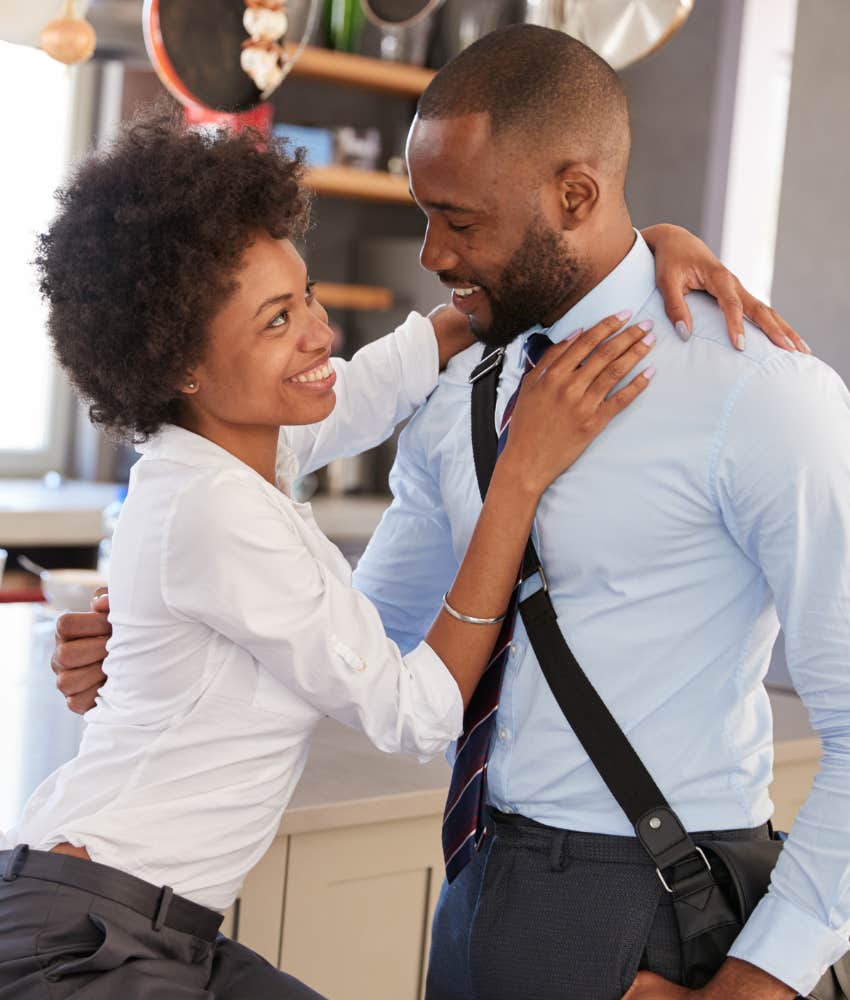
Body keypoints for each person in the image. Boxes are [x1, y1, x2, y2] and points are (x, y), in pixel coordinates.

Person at [44, 32, 820, 1000]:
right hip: (454, 880)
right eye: (424, 214)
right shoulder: (444, 411)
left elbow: (368, 394)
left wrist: (762, 980)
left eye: (457, 218)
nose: (430, 254)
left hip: (648, 896)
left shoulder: (759, 394)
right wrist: (169, 648)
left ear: (574, 196)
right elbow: (382, 668)